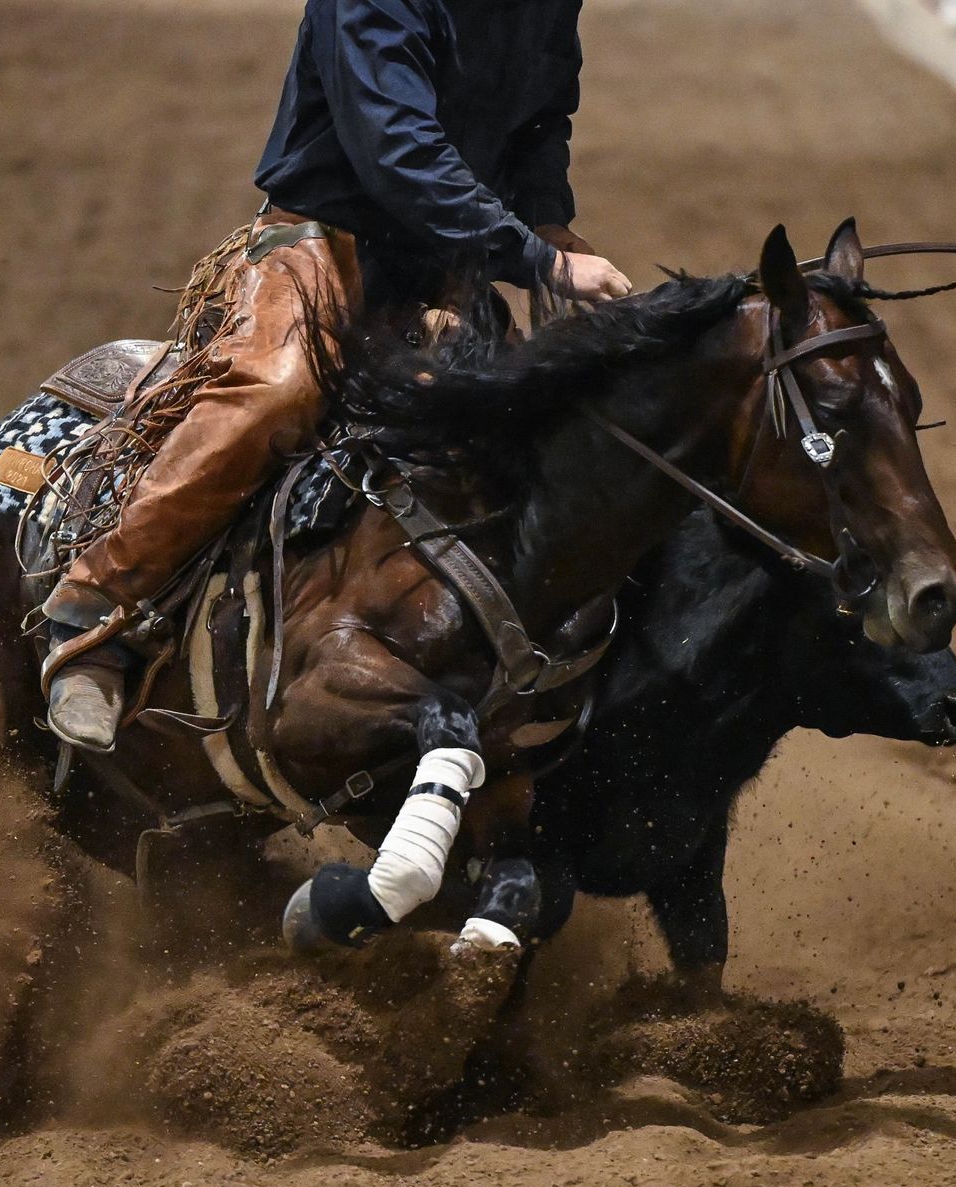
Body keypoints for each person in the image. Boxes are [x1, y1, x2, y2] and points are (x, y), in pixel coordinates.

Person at [42, 0, 632, 751]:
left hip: (447, 269)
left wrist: (546, 216)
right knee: (276, 387)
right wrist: (539, 259)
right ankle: (95, 616)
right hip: (322, 244)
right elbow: (397, 150)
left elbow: (545, 122)